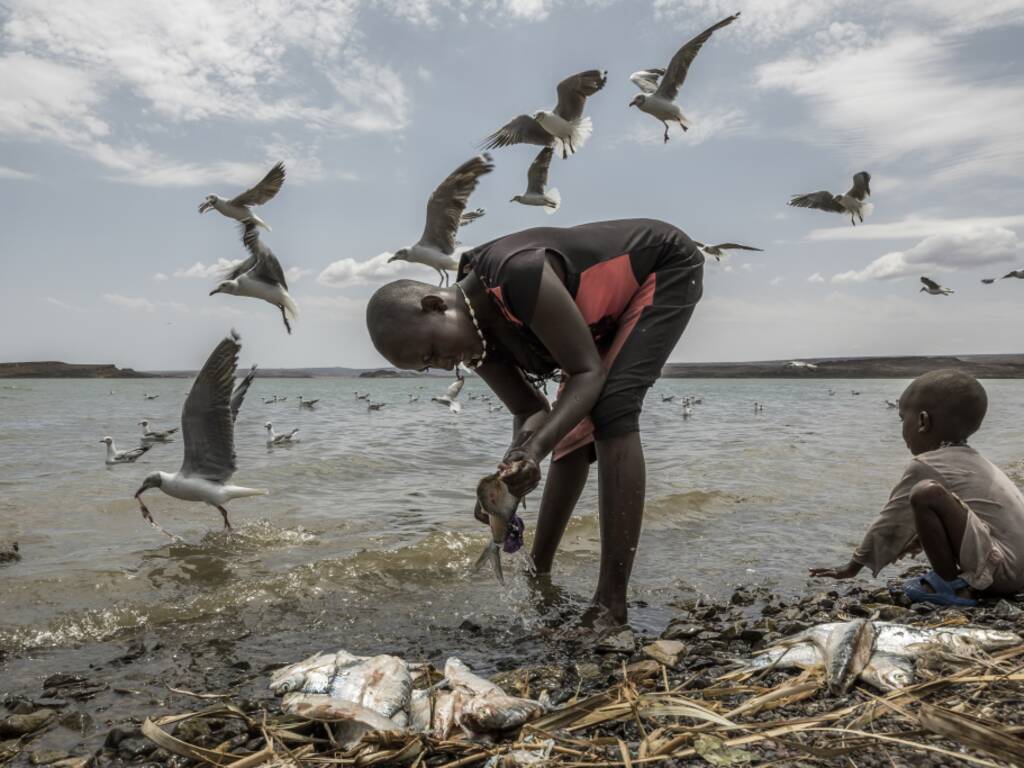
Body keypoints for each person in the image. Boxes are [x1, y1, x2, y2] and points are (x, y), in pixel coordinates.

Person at [366, 218, 704, 629]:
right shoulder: (475, 341)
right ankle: (538, 575)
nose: (445, 365)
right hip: (598, 317)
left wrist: (533, 449)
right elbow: (529, 412)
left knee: (612, 409)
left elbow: (587, 374)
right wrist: (510, 472)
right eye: (428, 366)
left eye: (434, 350)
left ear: (437, 305)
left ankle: (610, 605)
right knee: (569, 438)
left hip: (662, 267)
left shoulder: (516, 274)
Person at [810, 370, 1024, 605]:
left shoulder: (927, 464)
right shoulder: (978, 462)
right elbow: (970, 517)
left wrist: (851, 568)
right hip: (1016, 569)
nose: (902, 428)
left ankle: (949, 586)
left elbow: (890, 520)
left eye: (903, 419)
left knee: (925, 493)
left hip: (1003, 574)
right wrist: (917, 538)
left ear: (923, 421)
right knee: (932, 498)